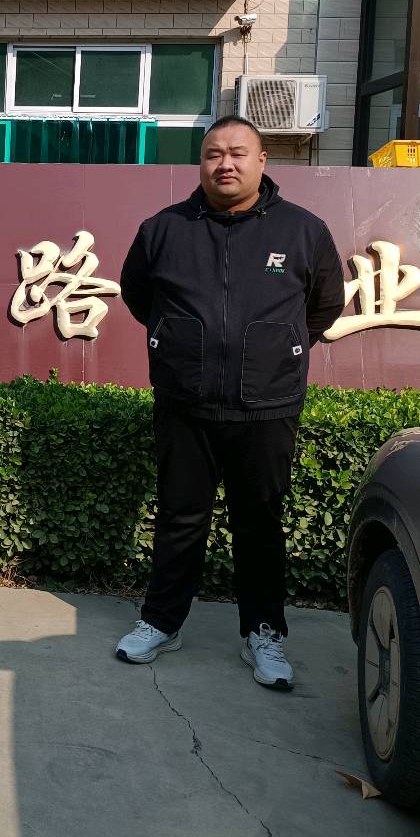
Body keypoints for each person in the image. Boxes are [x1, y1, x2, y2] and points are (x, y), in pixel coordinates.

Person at [115, 117, 344, 690]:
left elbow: (324, 306)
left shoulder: (303, 230)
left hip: (267, 405)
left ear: (262, 160)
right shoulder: (164, 229)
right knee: (179, 517)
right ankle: (161, 621)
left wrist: (276, 347)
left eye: (238, 153)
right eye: (213, 154)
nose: (225, 164)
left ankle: (264, 632)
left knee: (259, 521)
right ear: (201, 162)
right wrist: (182, 341)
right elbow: (140, 297)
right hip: (184, 402)